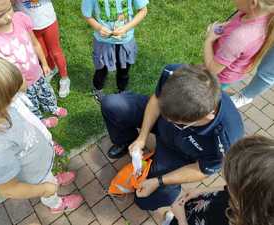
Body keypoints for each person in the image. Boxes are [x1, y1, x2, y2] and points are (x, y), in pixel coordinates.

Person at [101, 64, 244, 210]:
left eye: (178, 121)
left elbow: (202, 170)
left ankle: (168, 186)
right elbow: (156, 101)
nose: (169, 121)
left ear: (208, 116)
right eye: (168, 117)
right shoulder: (175, 76)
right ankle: (126, 142)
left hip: (180, 153)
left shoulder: (226, 141)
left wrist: (159, 181)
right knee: (112, 104)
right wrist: (142, 137)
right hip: (162, 124)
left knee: (146, 200)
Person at [0, 46, 83, 213]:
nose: (17, 96)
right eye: (11, 97)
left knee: (49, 179)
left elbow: (22, 86)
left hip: (38, 160)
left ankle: (51, 178)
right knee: (49, 189)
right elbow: (9, 189)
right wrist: (45, 189)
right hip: (34, 177)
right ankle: (55, 204)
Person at [0, 0, 67, 128]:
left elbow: (34, 43)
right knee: (31, 105)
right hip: (20, 84)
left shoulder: (20, 19)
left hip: (37, 72)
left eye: (9, 9)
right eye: (0, 15)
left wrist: (44, 63)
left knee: (46, 92)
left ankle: (52, 107)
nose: (8, 16)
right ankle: (40, 122)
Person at [168, 135, 274, 225]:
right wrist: (202, 191)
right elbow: (228, 188)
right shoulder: (258, 196)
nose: (227, 184)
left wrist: (181, 219)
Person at [81, 0, 148, 101]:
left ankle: (122, 90)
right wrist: (99, 28)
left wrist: (126, 28)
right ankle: (97, 90)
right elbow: (87, 15)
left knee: (124, 70)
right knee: (101, 69)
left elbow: (143, 10)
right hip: (103, 42)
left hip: (125, 41)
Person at [204, 0, 274, 90]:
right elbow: (236, 24)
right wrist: (224, 28)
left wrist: (209, 40)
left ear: (253, 3)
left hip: (216, 79)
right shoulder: (261, 15)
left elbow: (212, 69)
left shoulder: (240, 38)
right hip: (228, 69)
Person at [13, 0, 71, 98]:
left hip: (48, 21)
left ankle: (65, 79)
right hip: (31, 26)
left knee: (56, 52)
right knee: (43, 53)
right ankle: (51, 69)